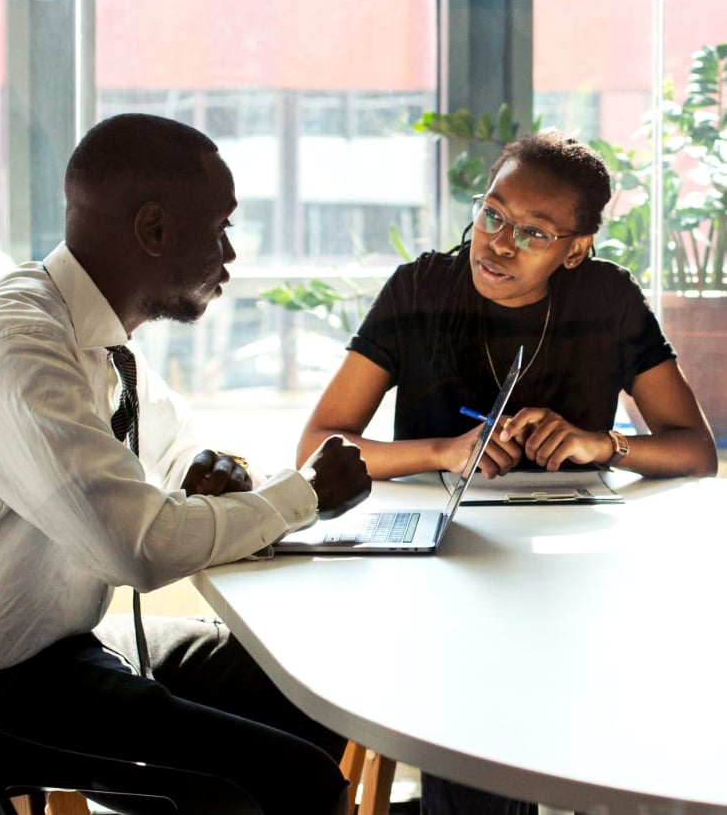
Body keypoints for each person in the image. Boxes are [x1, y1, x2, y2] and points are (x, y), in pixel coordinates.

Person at [295, 131, 717, 815]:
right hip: (449, 573)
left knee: (642, 690)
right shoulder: (421, 287)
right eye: (492, 214)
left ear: (576, 248)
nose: (497, 243)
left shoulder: (606, 297)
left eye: (533, 232)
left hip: (579, 575)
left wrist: (601, 444)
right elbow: (319, 446)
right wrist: (443, 451)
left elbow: (693, 449)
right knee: (477, 700)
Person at [0, 113, 372, 815]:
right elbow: (140, 548)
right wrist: (301, 494)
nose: (232, 257)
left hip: (63, 640)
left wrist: (213, 474)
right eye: (222, 228)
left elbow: (180, 451)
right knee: (290, 779)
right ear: (153, 230)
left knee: (314, 687)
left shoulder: (100, 340)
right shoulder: (22, 348)